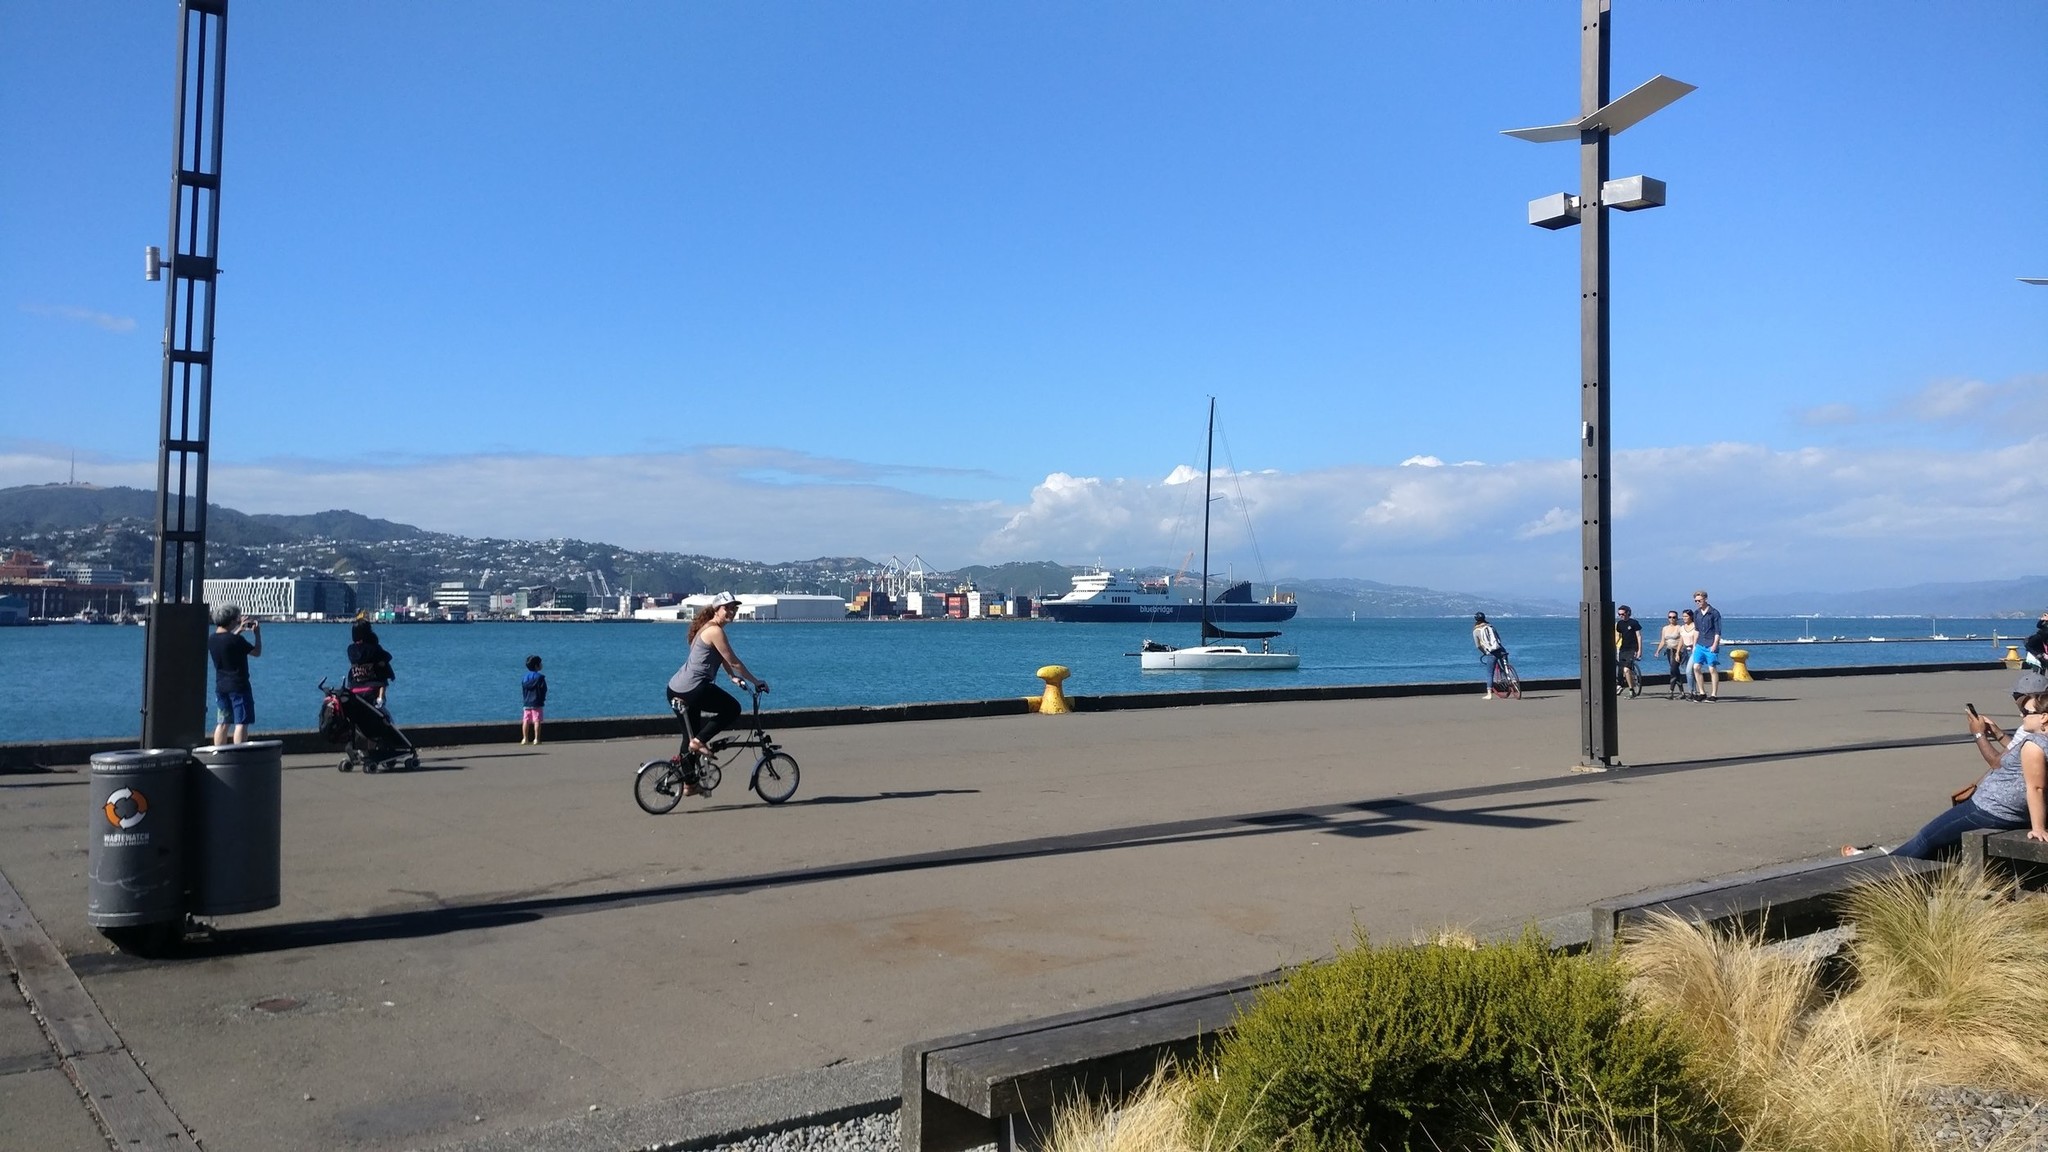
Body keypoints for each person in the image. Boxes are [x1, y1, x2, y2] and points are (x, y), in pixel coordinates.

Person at [1846, 671, 2048, 858]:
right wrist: (1998, 733)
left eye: (2027, 710)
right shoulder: (2035, 735)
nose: (2022, 713)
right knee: (1941, 843)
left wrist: (1978, 734)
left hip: (1994, 809)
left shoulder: (2034, 742)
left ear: (2043, 716)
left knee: (1927, 838)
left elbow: (2033, 785)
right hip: (2005, 809)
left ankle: (1882, 874)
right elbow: (2015, 762)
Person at [666, 593, 769, 790]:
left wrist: (731, 677)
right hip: (693, 689)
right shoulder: (715, 631)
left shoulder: (706, 628)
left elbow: (721, 657)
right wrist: (756, 681)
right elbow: (733, 660)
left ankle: (689, 783)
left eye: (734, 608)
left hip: (675, 689)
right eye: (727, 608)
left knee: (689, 738)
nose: (732, 611)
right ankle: (699, 742)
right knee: (732, 709)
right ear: (716, 610)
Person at [208, 604, 262, 746]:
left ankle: (218, 752)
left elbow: (227, 641)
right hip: (239, 686)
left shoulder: (212, 639)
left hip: (221, 687)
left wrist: (239, 630)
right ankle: (239, 753)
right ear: (231, 620)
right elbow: (256, 652)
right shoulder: (236, 641)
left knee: (223, 722)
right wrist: (257, 634)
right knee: (241, 722)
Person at [344, 619, 395, 707]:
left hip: (354, 683)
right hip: (374, 682)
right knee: (384, 665)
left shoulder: (350, 649)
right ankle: (380, 697)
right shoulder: (374, 648)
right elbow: (388, 656)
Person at [1689, 590, 1723, 700]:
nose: (1698, 602)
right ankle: (1702, 692)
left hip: (1710, 644)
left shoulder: (1714, 613)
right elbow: (1697, 630)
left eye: (1699, 600)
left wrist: (1715, 644)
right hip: (1700, 644)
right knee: (1696, 667)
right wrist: (1694, 645)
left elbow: (1718, 631)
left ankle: (1714, 694)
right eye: (1696, 601)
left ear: (1705, 599)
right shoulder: (1696, 613)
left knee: (1712, 669)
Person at [1472, 612, 1508, 700]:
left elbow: (1478, 645)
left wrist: (1484, 651)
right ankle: (1509, 679)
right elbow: (1498, 639)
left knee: (1489, 673)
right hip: (1500, 649)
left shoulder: (1476, 631)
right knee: (1505, 667)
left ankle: (1489, 694)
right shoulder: (1491, 627)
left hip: (1491, 652)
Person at [1653, 610, 1688, 699]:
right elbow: (1662, 641)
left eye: (1674, 617)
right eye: (1670, 617)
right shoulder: (1665, 628)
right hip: (1669, 651)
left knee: (1673, 670)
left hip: (1678, 651)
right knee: (1675, 671)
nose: (1672, 619)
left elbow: (1682, 640)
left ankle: (1671, 691)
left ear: (1677, 618)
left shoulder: (1680, 628)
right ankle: (1682, 692)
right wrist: (1658, 651)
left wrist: (1678, 652)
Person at [1614, 605, 1643, 698]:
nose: (1621, 616)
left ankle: (1631, 690)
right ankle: (1625, 686)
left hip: (1632, 649)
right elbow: (1619, 636)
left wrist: (1639, 650)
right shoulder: (1619, 624)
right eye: (1619, 614)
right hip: (1623, 649)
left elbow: (1639, 636)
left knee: (1626, 669)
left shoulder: (1634, 623)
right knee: (1622, 669)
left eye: (1622, 614)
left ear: (1627, 613)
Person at [520, 655, 547, 745]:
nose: (541, 665)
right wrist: (542, 699)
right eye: (540, 663)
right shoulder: (540, 678)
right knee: (537, 720)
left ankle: (525, 738)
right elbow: (544, 689)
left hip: (526, 702)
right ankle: (536, 739)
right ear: (536, 666)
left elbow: (523, 690)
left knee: (526, 720)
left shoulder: (524, 678)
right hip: (537, 702)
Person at [1677, 609, 1701, 698]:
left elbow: (1697, 638)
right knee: (1691, 672)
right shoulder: (1682, 628)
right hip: (1685, 651)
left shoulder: (1696, 627)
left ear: (1691, 617)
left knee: (1688, 671)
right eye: (1683, 616)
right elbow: (1681, 640)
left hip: (1694, 650)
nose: (1684, 618)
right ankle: (1694, 691)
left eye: (1686, 616)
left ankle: (1692, 692)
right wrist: (1678, 652)